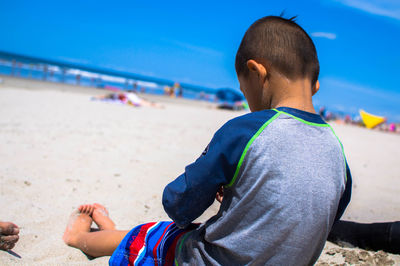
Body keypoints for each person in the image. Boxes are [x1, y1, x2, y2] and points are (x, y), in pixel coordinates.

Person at [63, 15, 352, 265]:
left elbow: (178, 205)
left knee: (156, 235)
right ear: (314, 85)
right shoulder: (337, 153)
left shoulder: (246, 131)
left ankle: (81, 239)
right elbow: (310, 213)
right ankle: (111, 231)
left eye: (244, 89)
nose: (248, 100)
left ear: (256, 72)